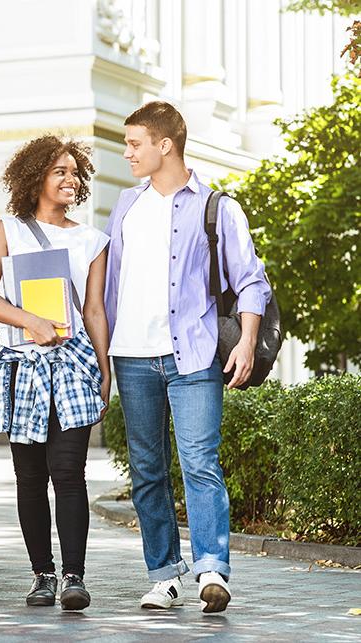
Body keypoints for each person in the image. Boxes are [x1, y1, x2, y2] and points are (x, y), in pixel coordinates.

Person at [106, 101, 271, 613]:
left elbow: (250, 281)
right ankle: (164, 575)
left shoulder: (217, 206)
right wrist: (101, 353)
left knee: (200, 463)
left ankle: (212, 570)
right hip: (132, 356)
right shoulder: (125, 206)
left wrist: (245, 341)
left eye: (134, 143)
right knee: (148, 470)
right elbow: (109, 285)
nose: (127, 152)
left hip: (193, 356)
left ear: (165, 145)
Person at [0, 136, 110, 610]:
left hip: (73, 364)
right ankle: (41, 576)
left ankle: (74, 576)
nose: (71, 180)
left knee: (69, 471)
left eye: (75, 172)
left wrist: (104, 369)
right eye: (60, 172)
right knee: (29, 476)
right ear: (35, 179)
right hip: (22, 364)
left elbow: (94, 310)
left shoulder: (91, 240)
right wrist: (29, 321)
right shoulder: (7, 230)